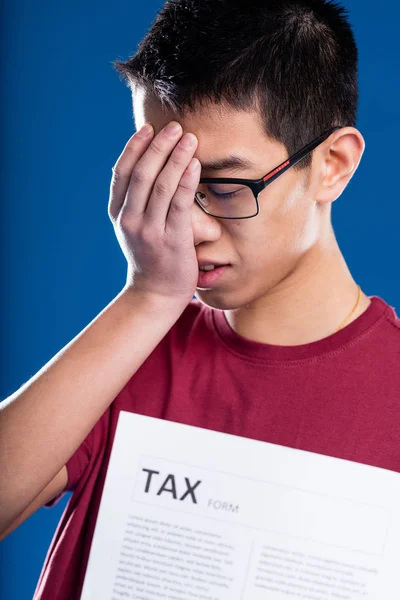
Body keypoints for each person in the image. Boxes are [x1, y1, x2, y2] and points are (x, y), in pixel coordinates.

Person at [1, 0, 399, 597]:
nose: (187, 226)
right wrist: (148, 298)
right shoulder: (130, 350)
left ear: (331, 166)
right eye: (163, 182)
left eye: (220, 187)